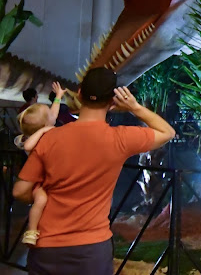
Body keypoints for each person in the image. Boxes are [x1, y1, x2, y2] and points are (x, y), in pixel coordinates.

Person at [13, 67, 176, 275]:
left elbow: (20, 191)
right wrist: (134, 107)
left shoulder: (49, 138)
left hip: (48, 247)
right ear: (112, 102)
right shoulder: (120, 138)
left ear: (80, 94)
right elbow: (167, 132)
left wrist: (41, 196)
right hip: (91, 249)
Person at [14, 82, 66, 246]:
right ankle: (31, 231)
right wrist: (43, 131)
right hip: (40, 183)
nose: (52, 113)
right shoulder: (34, 138)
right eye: (48, 114)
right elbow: (28, 146)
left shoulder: (47, 128)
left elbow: (54, 113)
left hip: (50, 177)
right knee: (41, 200)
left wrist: (58, 97)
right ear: (44, 125)